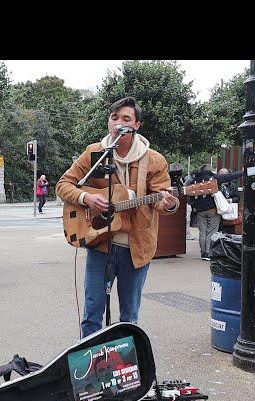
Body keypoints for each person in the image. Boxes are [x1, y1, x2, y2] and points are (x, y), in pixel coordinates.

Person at [56, 97, 180, 338]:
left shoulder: (153, 160)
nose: (119, 123)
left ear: (137, 125)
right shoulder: (95, 153)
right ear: (108, 122)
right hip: (100, 243)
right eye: (114, 118)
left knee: (129, 316)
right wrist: (87, 199)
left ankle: (123, 368)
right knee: (92, 313)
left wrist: (169, 203)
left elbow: (162, 201)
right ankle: (92, 367)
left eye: (126, 119)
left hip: (136, 249)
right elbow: (63, 184)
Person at [189, 164, 243, 260]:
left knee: (202, 232)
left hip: (200, 210)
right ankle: (209, 253)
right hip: (212, 208)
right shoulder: (213, 178)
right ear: (210, 171)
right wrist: (243, 172)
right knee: (211, 231)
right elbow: (229, 176)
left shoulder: (194, 181)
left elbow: (190, 197)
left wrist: (195, 206)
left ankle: (203, 253)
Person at [218, 167, 240, 235]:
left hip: (229, 211)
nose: (223, 176)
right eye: (221, 174)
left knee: (230, 231)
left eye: (225, 174)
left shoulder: (233, 185)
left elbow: (237, 198)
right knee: (219, 230)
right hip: (219, 211)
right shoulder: (217, 184)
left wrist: (230, 200)